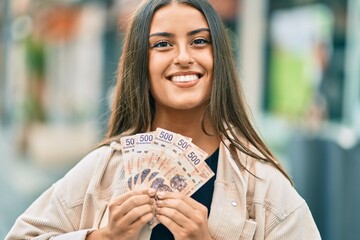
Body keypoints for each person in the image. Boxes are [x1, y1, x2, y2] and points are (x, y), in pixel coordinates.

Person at [6, 0, 321, 239]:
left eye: (199, 41)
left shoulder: (263, 187)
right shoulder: (103, 169)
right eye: (162, 44)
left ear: (219, 60)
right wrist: (102, 236)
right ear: (141, 64)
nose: (183, 56)